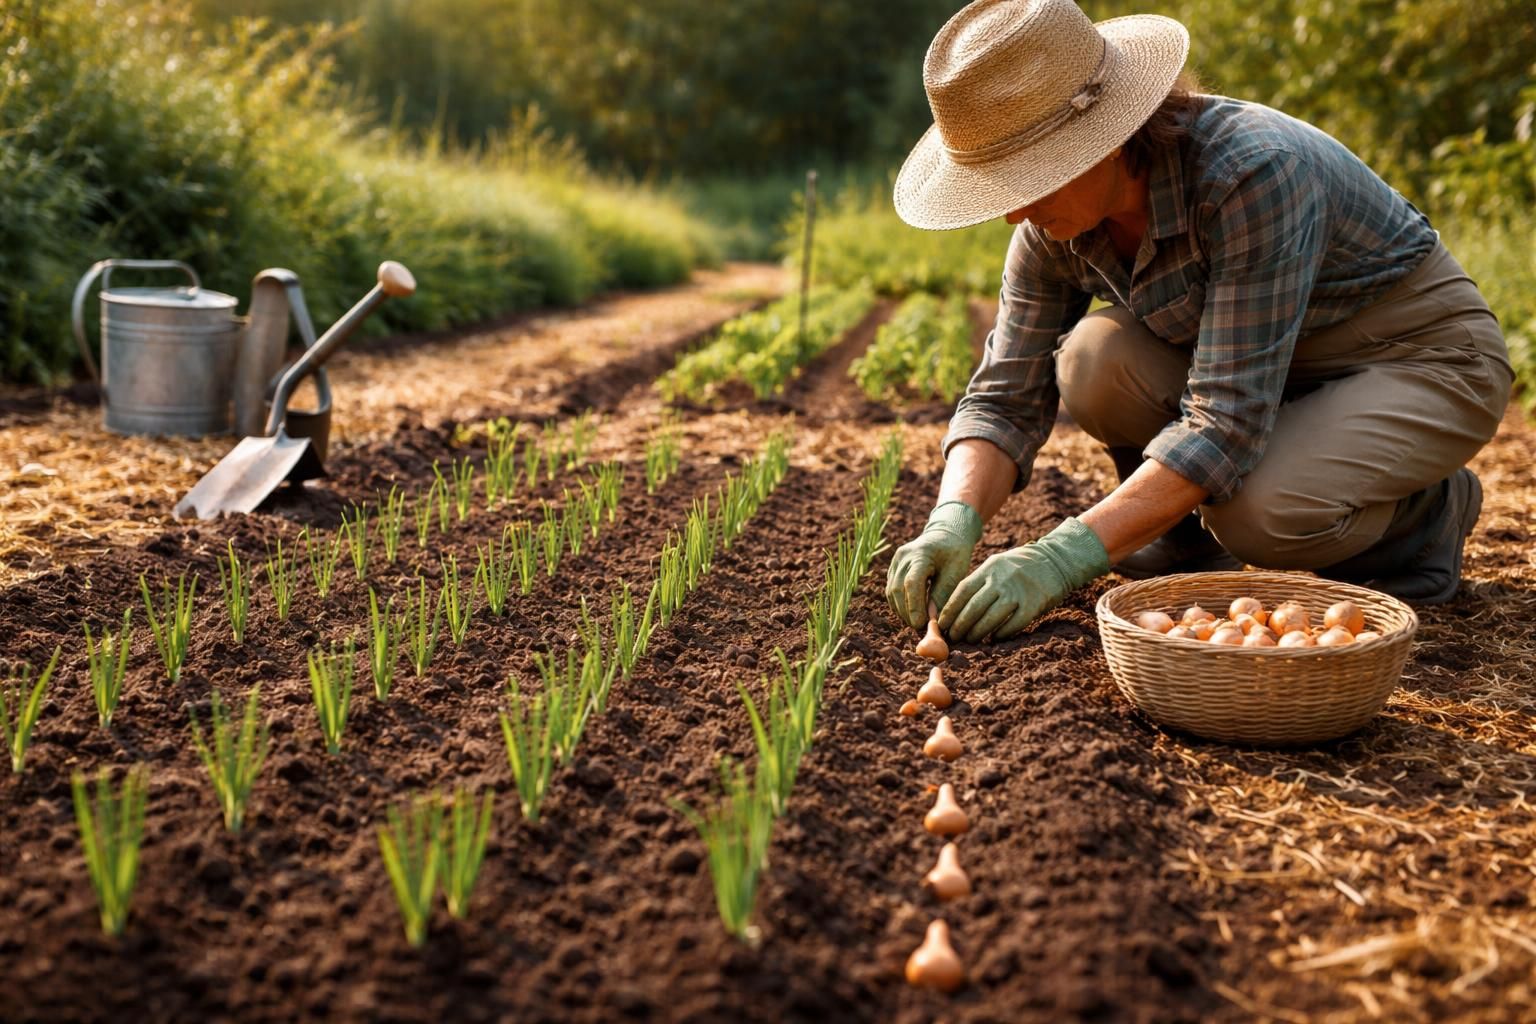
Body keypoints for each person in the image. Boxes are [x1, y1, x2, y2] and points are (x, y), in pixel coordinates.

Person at [884, 0, 1512, 643]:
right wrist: (951, 518)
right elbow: (1006, 393)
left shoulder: (1250, 173)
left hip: (1412, 354)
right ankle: (1177, 537)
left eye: (1027, 178)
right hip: (1269, 362)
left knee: (1260, 515)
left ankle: (1426, 520)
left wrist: (1060, 557)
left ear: (1107, 138)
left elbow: (1227, 423)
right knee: (1093, 359)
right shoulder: (1053, 225)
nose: (1013, 212)